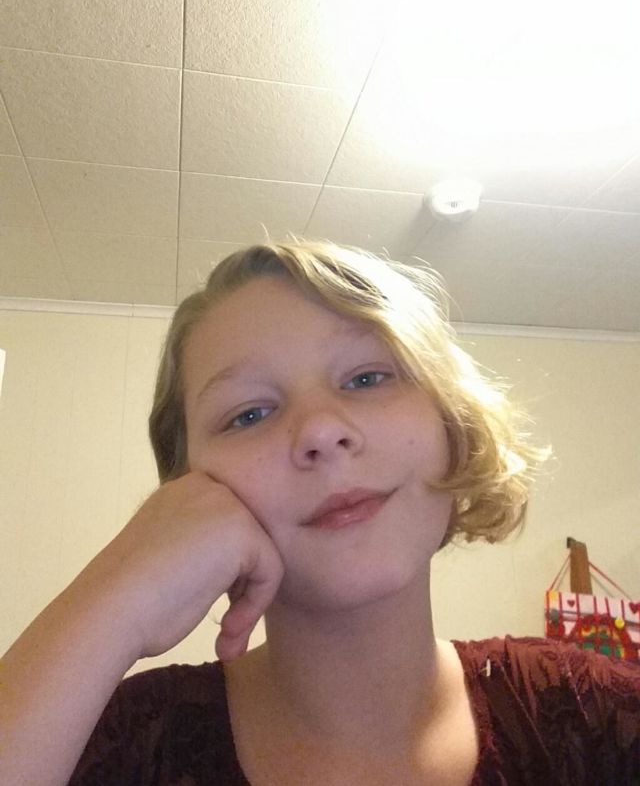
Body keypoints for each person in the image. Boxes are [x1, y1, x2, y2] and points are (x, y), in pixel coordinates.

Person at [1, 238, 638, 786]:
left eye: (367, 378)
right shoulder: (122, 742)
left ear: (452, 422)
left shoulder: (595, 713)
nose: (321, 430)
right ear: (187, 492)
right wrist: (114, 596)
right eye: (249, 414)